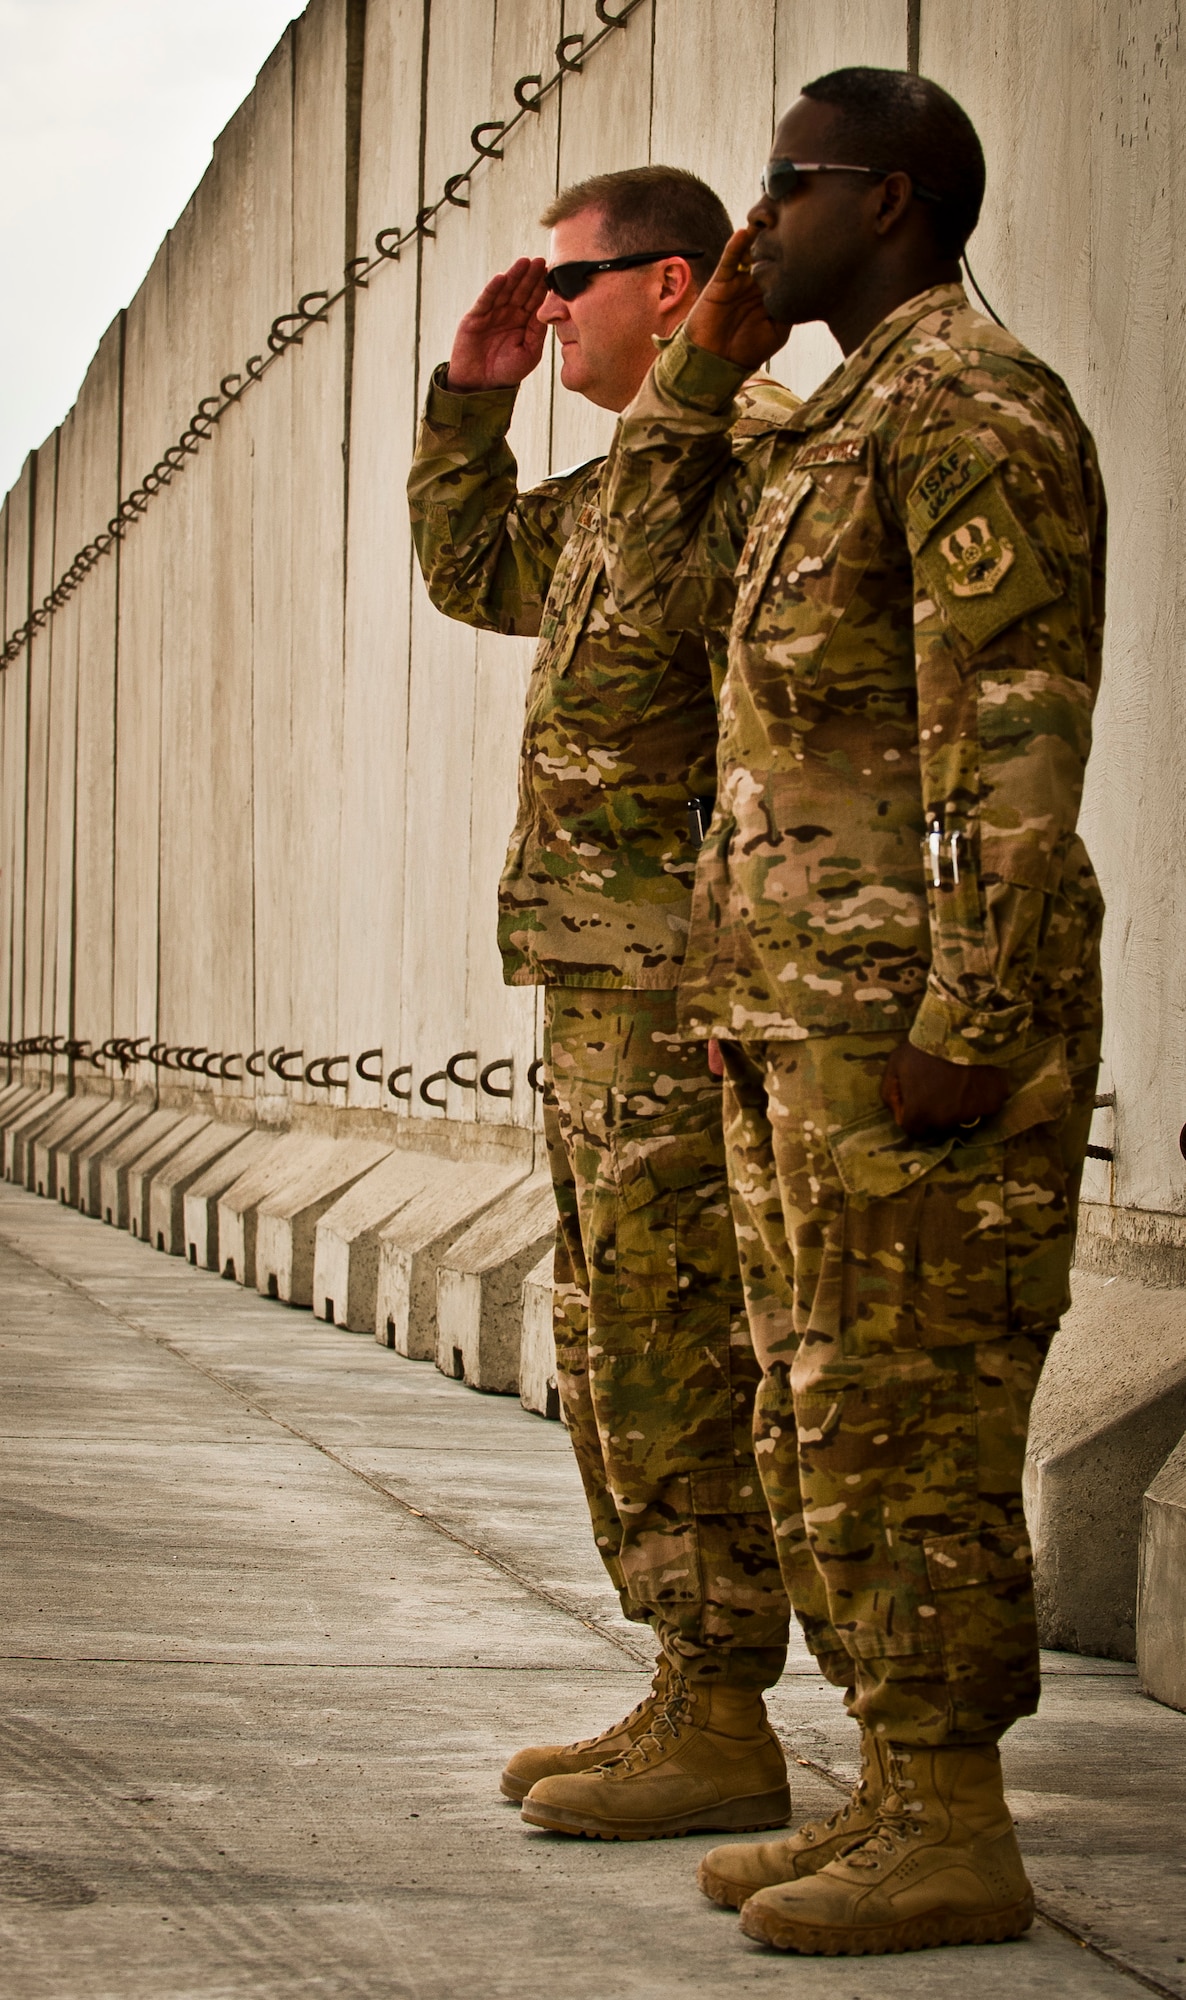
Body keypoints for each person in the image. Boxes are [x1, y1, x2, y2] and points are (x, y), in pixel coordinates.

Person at [599, 70, 1104, 1953]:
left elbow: (1016, 740)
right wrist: (701, 369)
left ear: (884, 200)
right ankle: (889, 1789)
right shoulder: (827, 431)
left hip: (914, 1034)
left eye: (782, 189)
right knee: (818, 1416)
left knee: (912, 1426)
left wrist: (976, 1018)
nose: (752, 225)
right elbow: (646, 617)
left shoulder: (972, 412)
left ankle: (957, 1823)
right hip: (797, 1023)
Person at [407, 167, 801, 1841]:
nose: (548, 305)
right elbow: (477, 571)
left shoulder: (751, 462)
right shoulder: (625, 479)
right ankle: (688, 1687)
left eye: (569, 284)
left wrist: (738, 967)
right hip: (599, 986)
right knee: (618, 1333)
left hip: (685, 990)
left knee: (685, 1340)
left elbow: (777, 714)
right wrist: (470, 403)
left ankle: (727, 1706)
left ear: (675, 284)